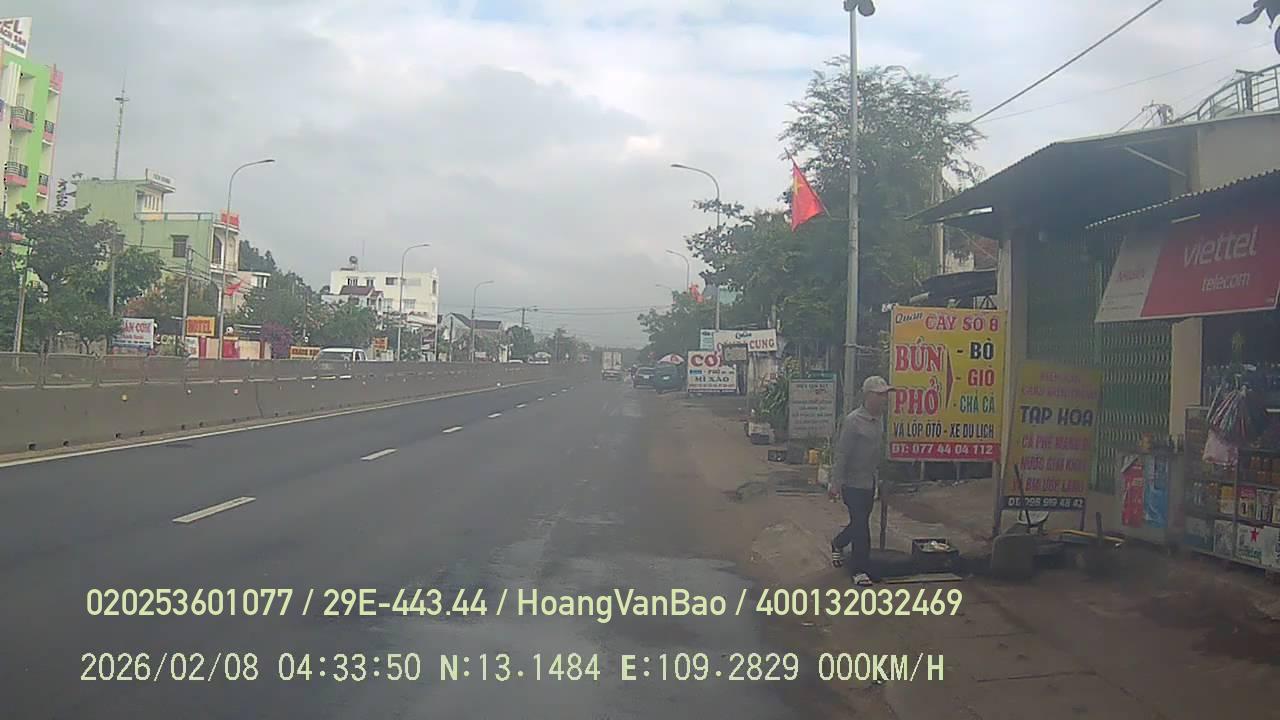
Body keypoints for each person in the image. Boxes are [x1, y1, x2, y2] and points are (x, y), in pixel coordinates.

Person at [828, 375, 892, 586]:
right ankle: (860, 570)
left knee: (859, 522)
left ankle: (838, 543)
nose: (884, 399)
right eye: (880, 395)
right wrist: (835, 483)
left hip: (869, 481)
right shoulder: (853, 421)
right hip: (852, 483)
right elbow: (842, 453)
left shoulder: (880, 419)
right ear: (868, 396)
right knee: (861, 527)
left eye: (885, 395)